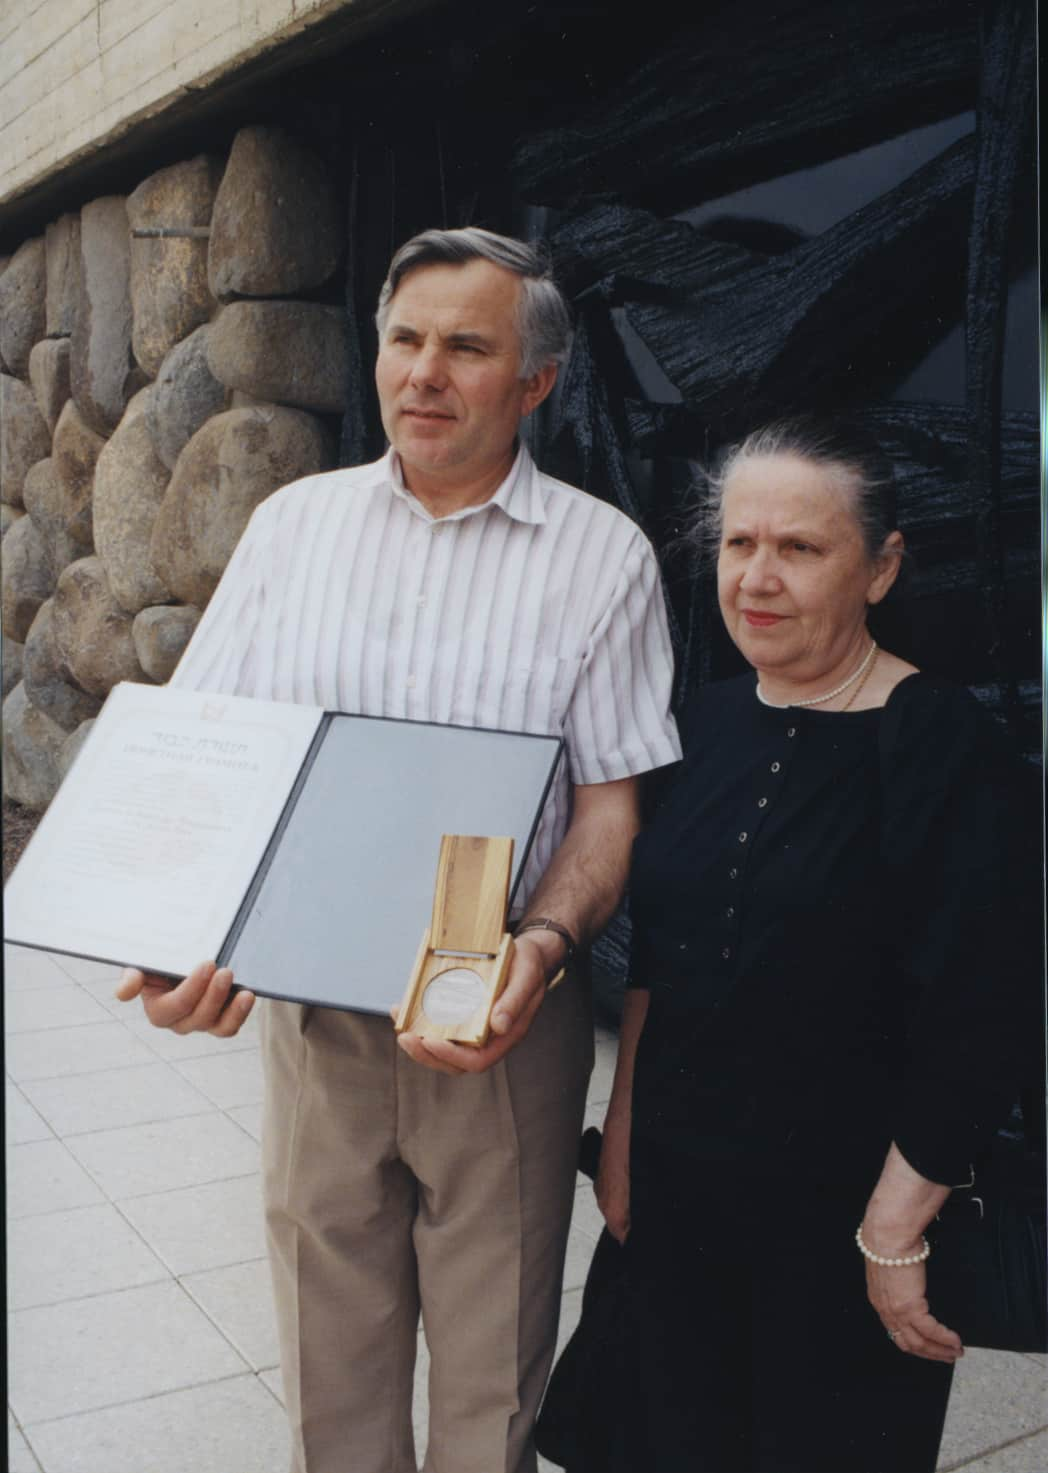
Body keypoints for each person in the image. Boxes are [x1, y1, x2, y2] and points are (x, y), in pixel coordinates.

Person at [116, 226, 680, 1473]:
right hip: (315, 1024)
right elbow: (200, 760)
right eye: (405, 340)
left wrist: (540, 945)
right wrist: (170, 941)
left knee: (491, 1390)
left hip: (503, 1021)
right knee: (334, 1371)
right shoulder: (291, 528)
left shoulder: (603, 558)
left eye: (466, 348)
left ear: (534, 383)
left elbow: (609, 808)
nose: (424, 373)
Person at [593, 417, 1039, 1473]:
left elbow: (987, 1004)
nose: (758, 577)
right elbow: (657, 959)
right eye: (739, 544)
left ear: (880, 569)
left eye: (800, 549)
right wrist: (618, 1144)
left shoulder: (944, 745)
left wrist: (895, 1229)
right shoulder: (695, 724)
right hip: (680, 1193)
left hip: (844, 1213)